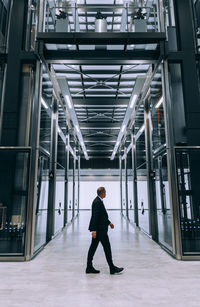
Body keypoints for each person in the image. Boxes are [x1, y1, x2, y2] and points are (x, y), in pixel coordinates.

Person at [86, 187, 124, 275]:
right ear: (101, 193)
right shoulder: (97, 202)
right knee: (106, 248)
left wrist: (109, 223)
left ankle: (89, 267)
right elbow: (95, 217)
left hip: (101, 230)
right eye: (105, 192)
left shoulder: (98, 201)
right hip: (100, 231)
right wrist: (94, 230)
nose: (106, 194)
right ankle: (112, 268)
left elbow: (102, 216)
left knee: (93, 248)